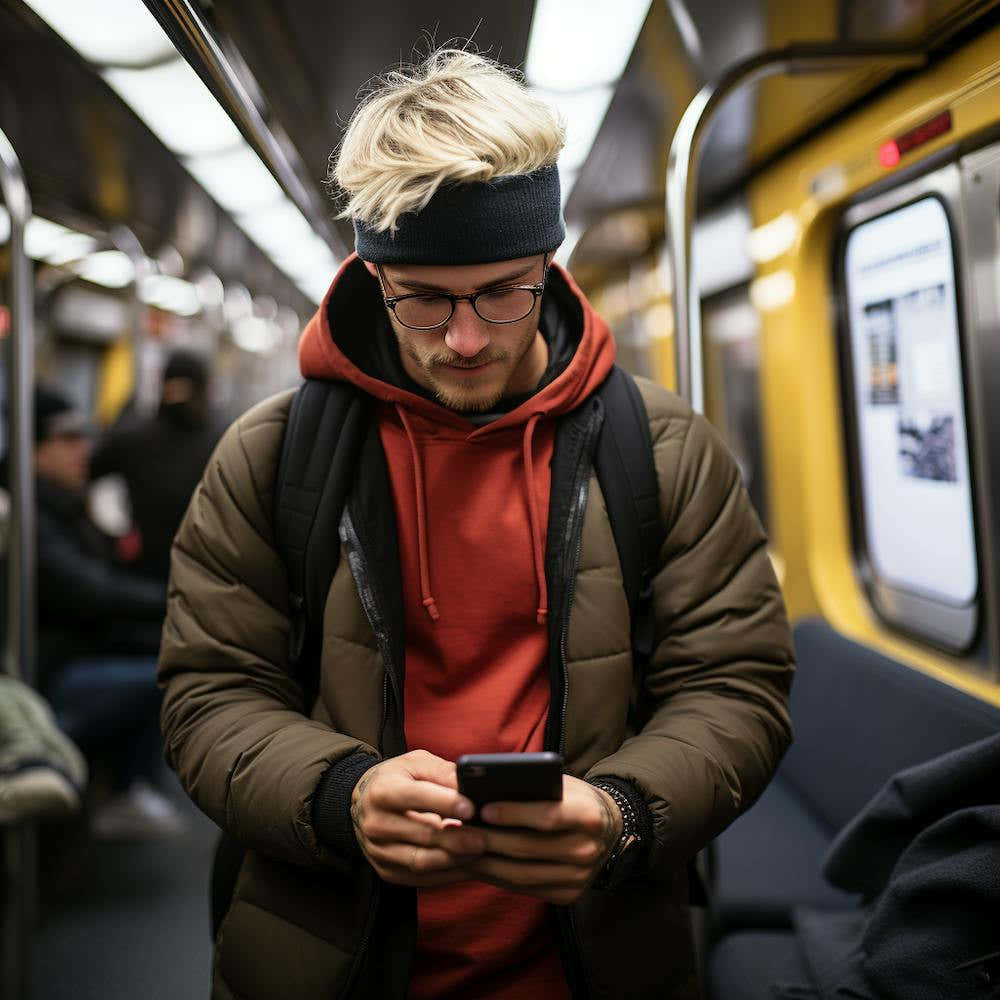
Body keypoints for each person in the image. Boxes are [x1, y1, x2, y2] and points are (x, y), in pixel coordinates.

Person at [159, 49, 795, 999]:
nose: (465, 338)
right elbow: (208, 694)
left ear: (549, 263)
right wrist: (338, 796)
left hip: (596, 960)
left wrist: (623, 814)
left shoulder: (661, 449)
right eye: (423, 298)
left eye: (504, 292)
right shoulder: (272, 457)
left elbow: (735, 683)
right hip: (330, 953)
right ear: (374, 281)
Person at [27, 385, 183, 839]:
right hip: (50, 668)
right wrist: (170, 598)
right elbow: (86, 590)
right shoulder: (31, 515)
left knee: (175, 652)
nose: (84, 450)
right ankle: (125, 789)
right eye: (68, 438)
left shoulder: (67, 506)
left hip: (80, 645)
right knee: (163, 672)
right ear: (33, 448)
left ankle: (132, 783)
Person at [90, 348, 223, 584]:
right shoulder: (223, 440)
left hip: (141, 568)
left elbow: (82, 476)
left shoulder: (134, 437)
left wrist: (111, 536)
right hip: (200, 569)